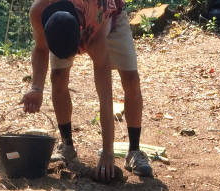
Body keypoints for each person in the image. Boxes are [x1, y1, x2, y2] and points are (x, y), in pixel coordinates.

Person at [21, 0, 153, 181]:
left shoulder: (96, 23)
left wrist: (108, 152)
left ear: (81, 32)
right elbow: (41, 48)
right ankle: (67, 146)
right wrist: (36, 88)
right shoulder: (38, 11)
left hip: (111, 17)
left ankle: (134, 151)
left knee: (131, 80)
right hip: (71, 23)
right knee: (58, 76)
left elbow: (105, 95)